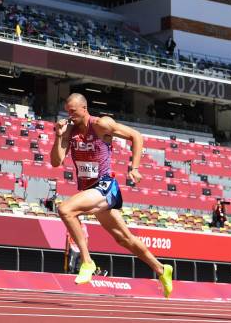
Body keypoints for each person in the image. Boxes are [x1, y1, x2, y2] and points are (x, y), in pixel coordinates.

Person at [51, 93, 172, 297]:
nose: (69, 116)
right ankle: (161, 269)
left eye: (73, 111)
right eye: (67, 111)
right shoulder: (69, 131)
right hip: (90, 190)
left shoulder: (101, 125)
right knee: (124, 238)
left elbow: (136, 136)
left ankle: (87, 262)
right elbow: (56, 161)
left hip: (106, 186)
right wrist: (58, 135)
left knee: (65, 209)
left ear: (84, 108)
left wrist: (134, 167)